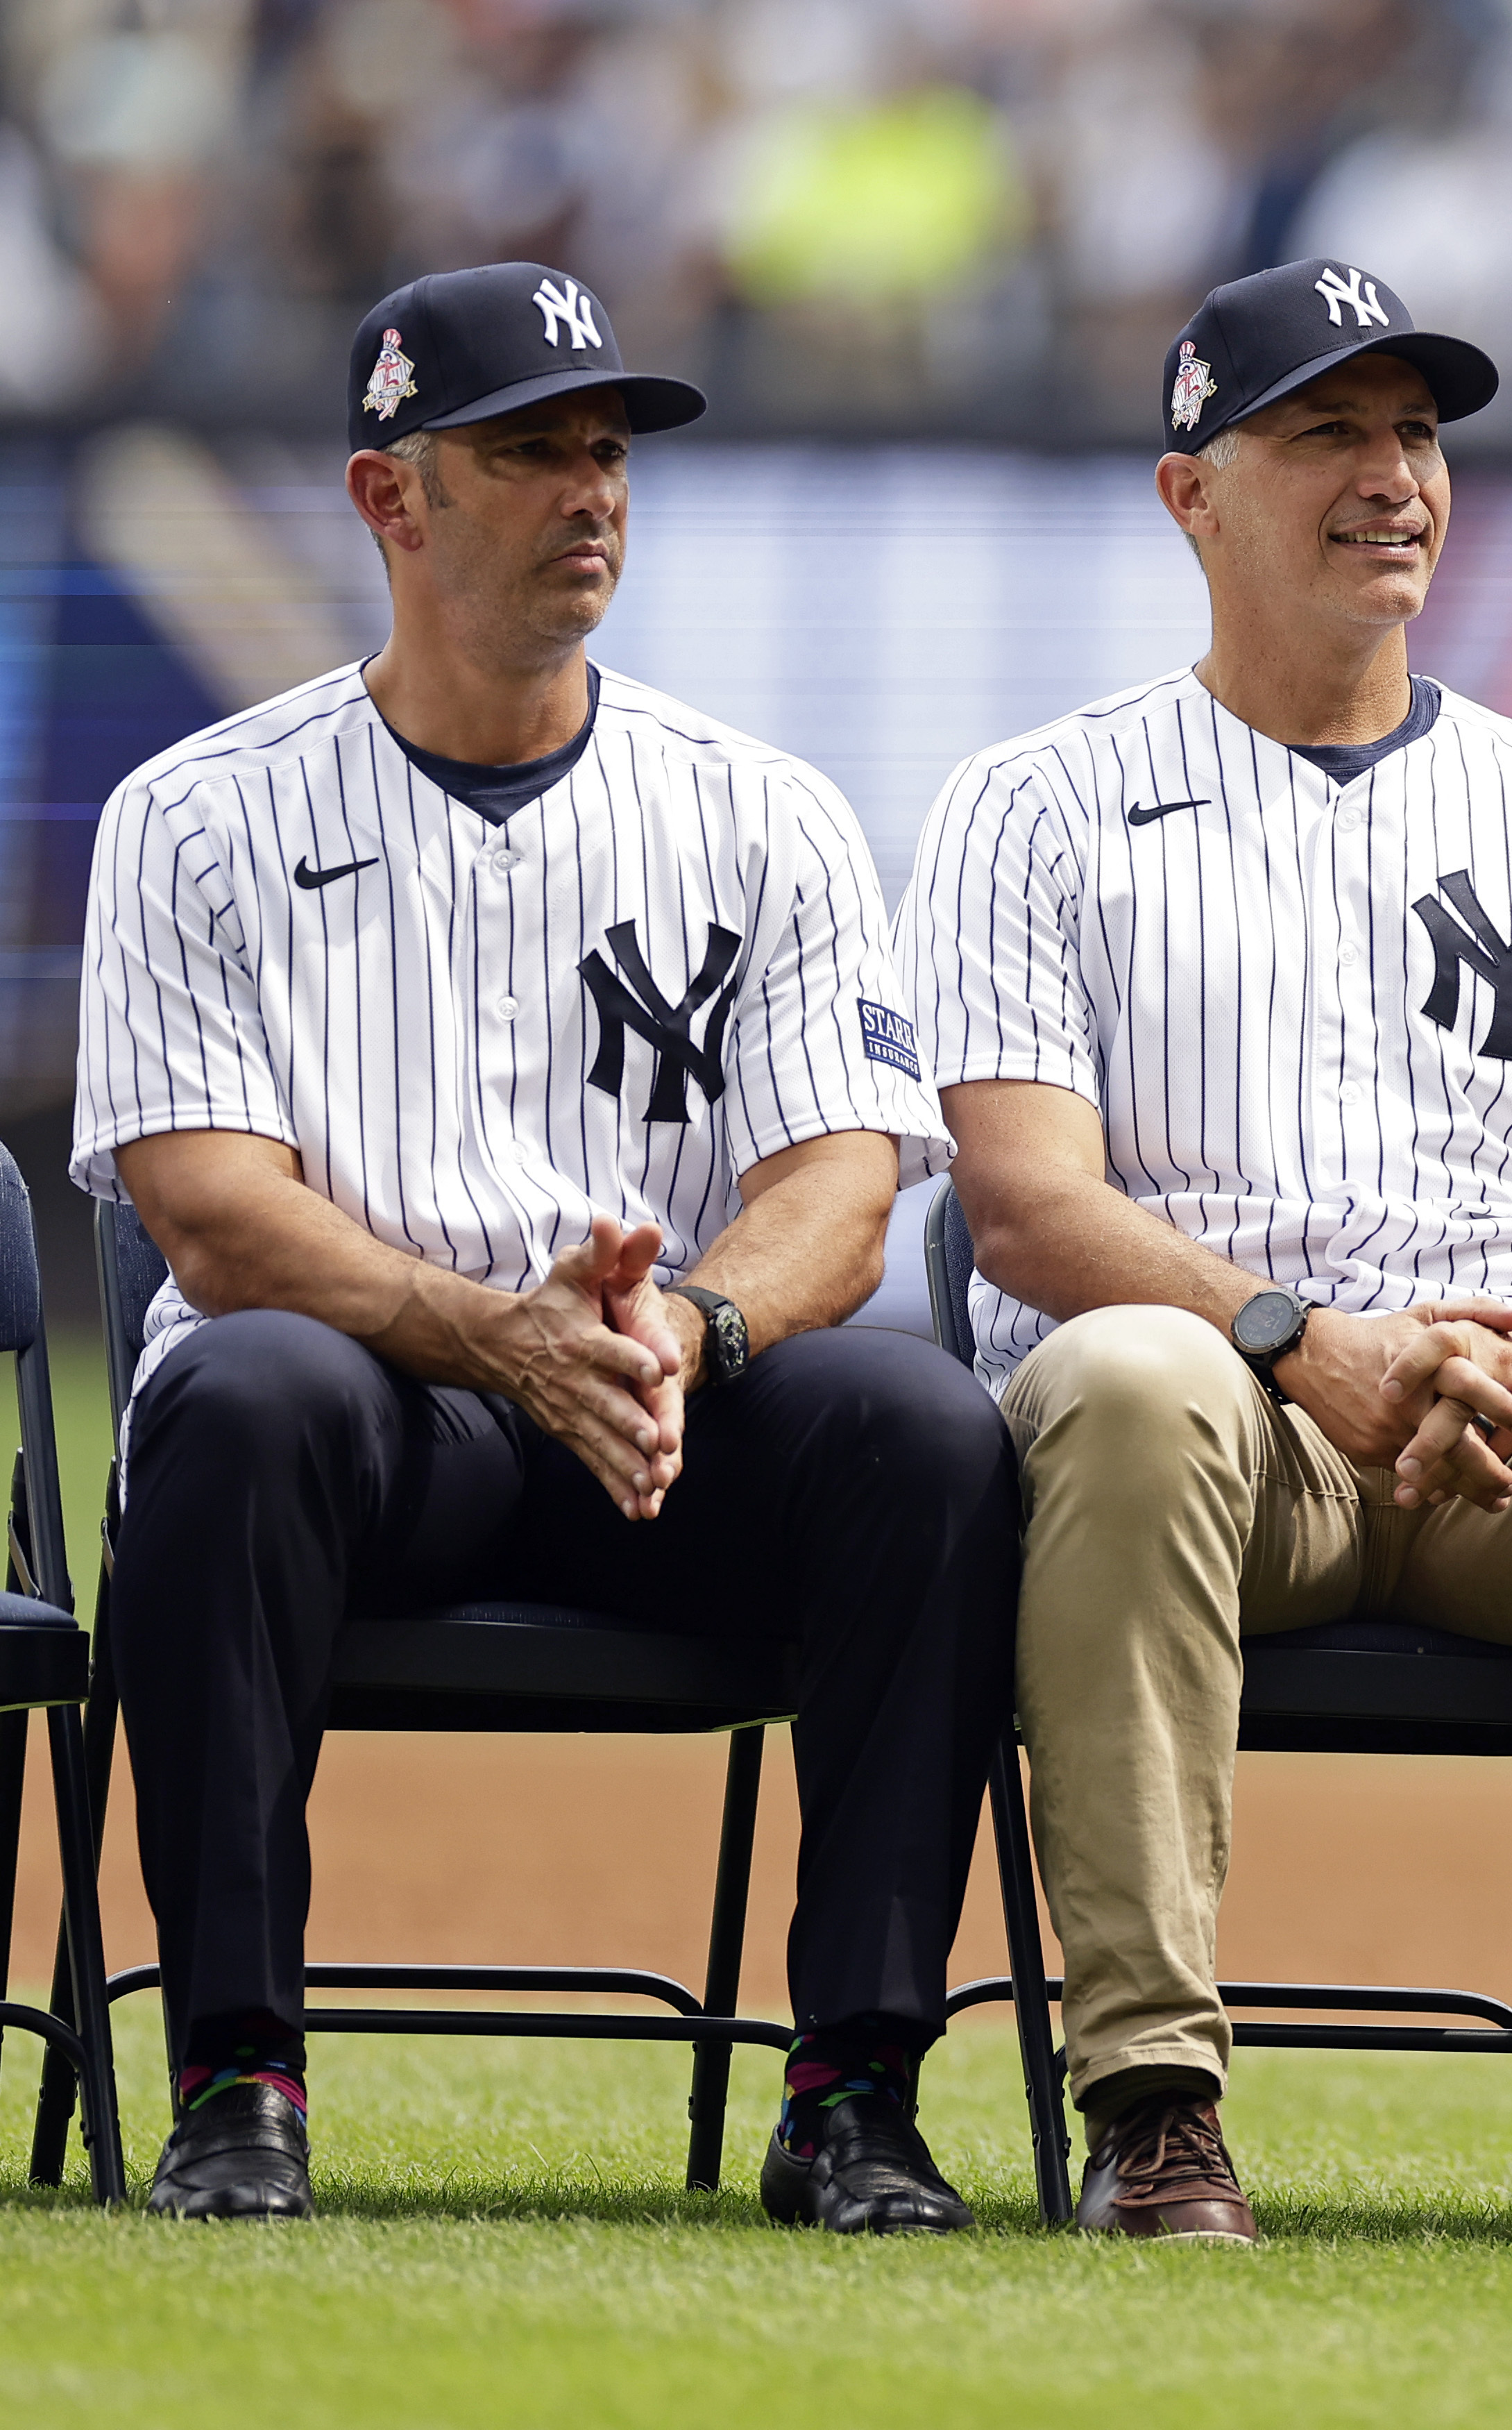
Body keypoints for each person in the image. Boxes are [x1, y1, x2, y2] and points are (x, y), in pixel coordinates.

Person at [894, 258, 1512, 2259]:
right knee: (1118, 1371)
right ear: (1193, 496)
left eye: (1418, 432)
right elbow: (1023, 1203)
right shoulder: (1035, 807)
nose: (1393, 477)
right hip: (1226, 1432)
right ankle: (1152, 2103)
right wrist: (1301, 1343)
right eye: (1326, 433)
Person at [76, 262, 1021, 2232]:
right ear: (388, 499)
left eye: (608, 452)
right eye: (529, 453)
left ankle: (856, 2094)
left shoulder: (759, 809)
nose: (591, 490)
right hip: (364, 1427)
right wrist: (494, 1335)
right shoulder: (194, 814)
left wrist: (684, 1327)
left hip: (656, 1421)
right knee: (238, 1390)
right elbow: (210, 1212)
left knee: (922, 1428)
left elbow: (845, 1188)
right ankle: (235, 2080)